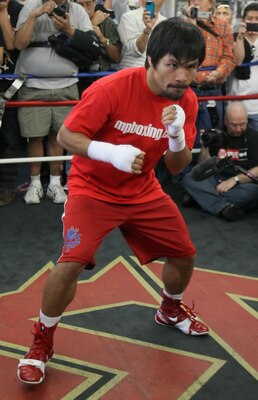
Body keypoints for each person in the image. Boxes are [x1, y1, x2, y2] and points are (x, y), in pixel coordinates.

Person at [17, 17, 209, 385]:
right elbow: (67, 134)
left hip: (143, 189)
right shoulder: (114, 87)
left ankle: (169, 310)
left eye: (191, 67)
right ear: (150, 60)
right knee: (71, 262)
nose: (182, 76)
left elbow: (177, 165)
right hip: (92, 188)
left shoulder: (186, 100)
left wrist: (175, 136)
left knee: (185, 254)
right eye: (173, 64)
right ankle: (41, 342)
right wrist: (110, 153)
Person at [14, 0, 93, 204]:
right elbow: (19, 43)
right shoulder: (30, 6)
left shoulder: (77, 10)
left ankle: (55, 183)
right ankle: (34, 183)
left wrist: (69, 30)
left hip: (66, 84)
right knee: (34, 136)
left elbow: (92, 46)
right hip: (32, 83)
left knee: (59, 136)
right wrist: (35, 15)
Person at [181, 102, 258, 221]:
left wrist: (234, 180)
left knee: (253, 192)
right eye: (234, 125)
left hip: (241, 182)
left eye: (242, 124)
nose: (238, 129)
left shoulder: (254, 137)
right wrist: (205, 146)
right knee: (189, 178)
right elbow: (203, 165)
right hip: (215, 179)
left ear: (247, 121)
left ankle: (200, 199)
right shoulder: (217, 134)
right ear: (226, 121)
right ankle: (223, 208)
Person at [185, 0, 236, 146]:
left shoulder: (223, 25)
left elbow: (229, 57)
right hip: (188, 90)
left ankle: (209, 168)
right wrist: (191, 24)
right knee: (185, 137)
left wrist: (217, 73)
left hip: (213, 90)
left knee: (212, 139)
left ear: (210, 3)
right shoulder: (183, 25)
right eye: (191, 0)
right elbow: (182, 54)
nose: (195, 2)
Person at [0, 0, 23, 206]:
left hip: (11, 81)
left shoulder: (17, 9)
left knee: (9, 134)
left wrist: (3, 11)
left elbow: (11, 44)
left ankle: (6, 186)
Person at [226, 2, 258, 131]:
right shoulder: (234, 38)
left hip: (256, 104)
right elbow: (237, 61)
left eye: (257, 19)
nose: (254, 22)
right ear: (244, 20)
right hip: (235, 100)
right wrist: (240, 38)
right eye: (250, 19)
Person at [118, 0, 166, 69]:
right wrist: (147, 30)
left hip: (157, 73)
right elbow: (136, 51)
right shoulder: (128, 17)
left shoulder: (166, 22)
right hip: (133, 71)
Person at [77, 0, 121, 72]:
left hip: (101, 74)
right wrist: (91, 26)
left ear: (94, 3)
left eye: (88, 4)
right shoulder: (71, 20)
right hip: (77, 74)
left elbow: (117, 58)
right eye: (80, 5)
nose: (84, 8)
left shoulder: (106, 22)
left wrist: (103, 39)